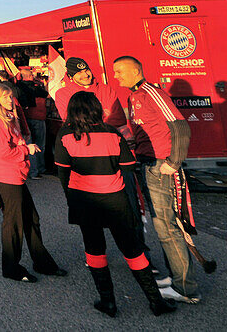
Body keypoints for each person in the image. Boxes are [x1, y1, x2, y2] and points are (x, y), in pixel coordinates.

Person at [54, 91, 175, 317]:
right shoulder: (113, 133)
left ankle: (108, 302)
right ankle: (156, 302)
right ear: (97, 109)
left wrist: (72, 199)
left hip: (83, 199)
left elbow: (63, 172)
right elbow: (128, 167)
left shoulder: (64, 134)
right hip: (115, 199)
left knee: (95, 249)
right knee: (132, 250)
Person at [114, 55, 200, 305]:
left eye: (120, 71)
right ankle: (176, 277)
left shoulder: (152, 91)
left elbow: (181, 127)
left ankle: (186, 288)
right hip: (148, 165)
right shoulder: (134, 96)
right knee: (162, 225)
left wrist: (173, 163)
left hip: (162, 165)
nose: (116, 75)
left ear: (136, 70)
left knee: (168, 227)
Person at [0, 82, 65, 283]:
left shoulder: (5, 117)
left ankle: (41, 261)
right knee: (14, 223)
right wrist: (27, 149)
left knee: (30, 218)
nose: (11, 100)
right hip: (5, 175)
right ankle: (11, 267)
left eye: (11, 96)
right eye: (6, 97)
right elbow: (4, 152)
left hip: (13, 174)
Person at [14, 67, 49, 179]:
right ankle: (39, 169)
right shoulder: (35, 87)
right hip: (38, 118)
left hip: (24, 118)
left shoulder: (17, 87)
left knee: (28, 144)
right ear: (30, 76)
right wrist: (45, 84)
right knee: (39, 145)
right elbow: (47, 94)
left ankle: (30, 170)